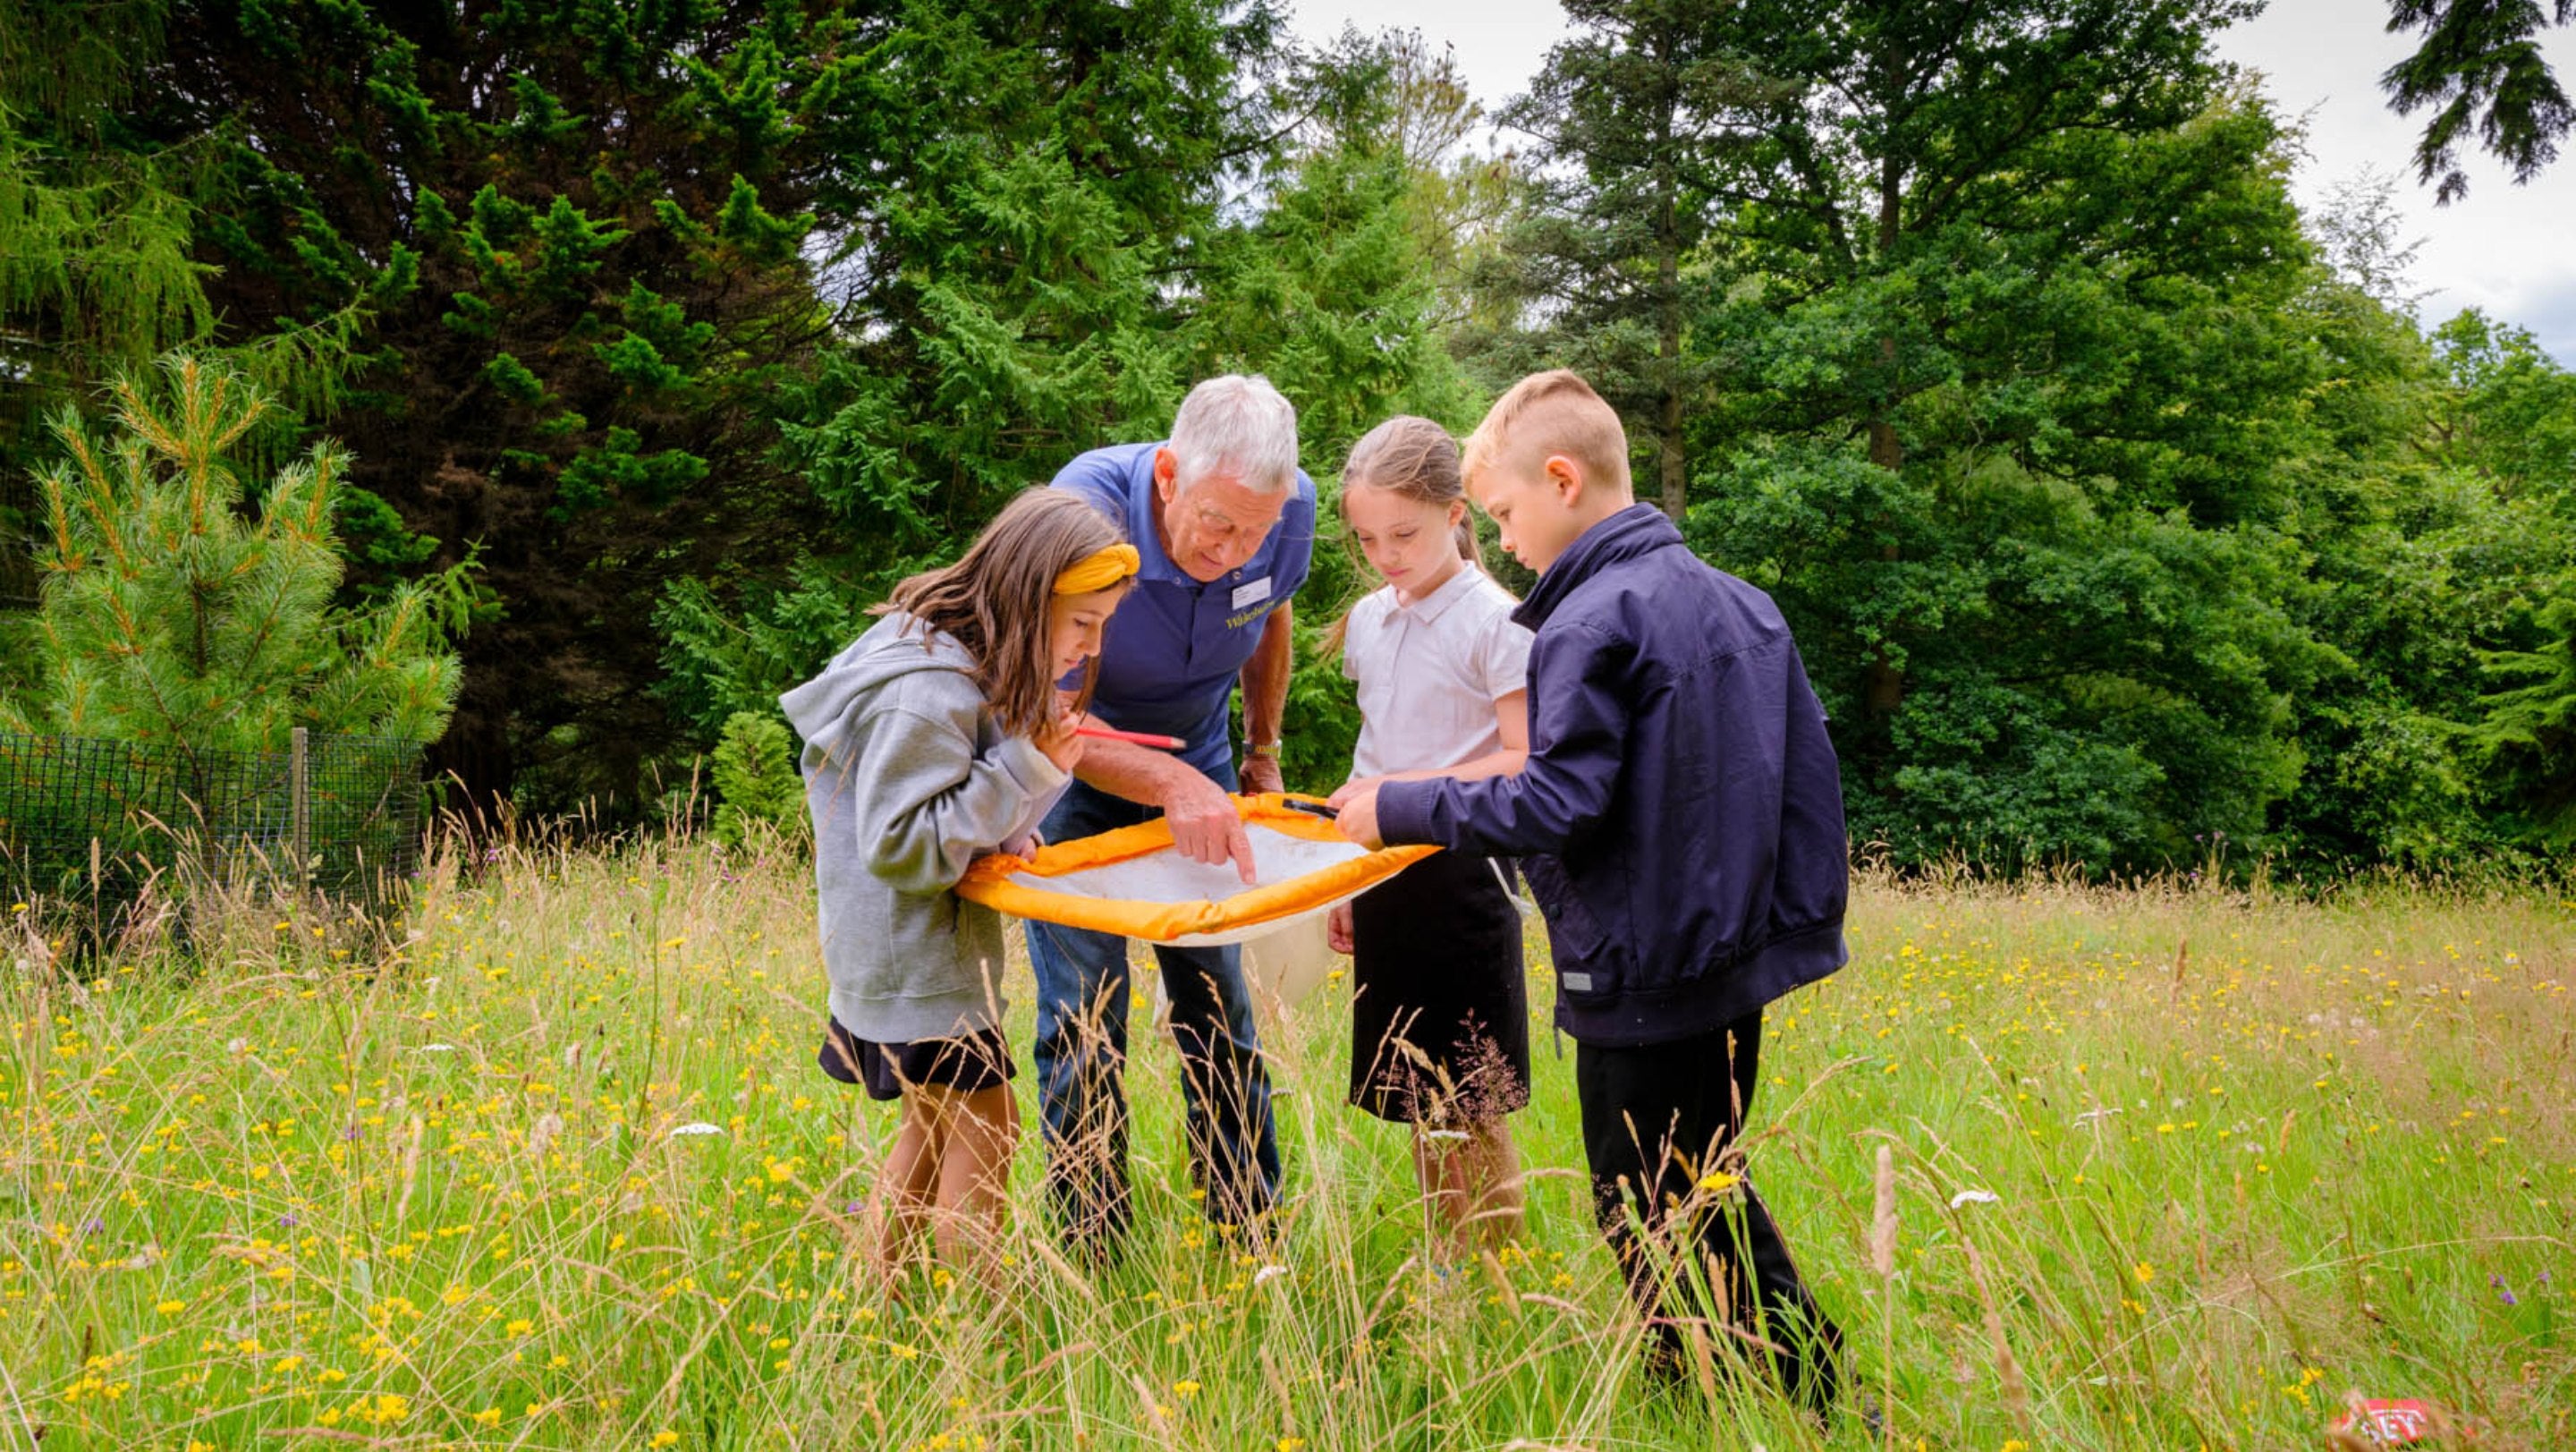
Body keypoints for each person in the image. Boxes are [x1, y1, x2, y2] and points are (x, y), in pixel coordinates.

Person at [1335, 370, 1852, 1412]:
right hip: (1730, 954)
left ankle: (1807, 1390)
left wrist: (1399, 807)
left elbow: (1555, 799)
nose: (1506, 539)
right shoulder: (1738, 602)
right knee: (1697, 1176)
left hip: (1643, 962)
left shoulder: (1590, 620)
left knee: (1644, 1191)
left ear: (1563, 481)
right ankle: (1696, 1383)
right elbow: (1804, 780)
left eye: (1506, 513)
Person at [779, 488, 1138, 1289]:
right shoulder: (927, 691)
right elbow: (903, 845)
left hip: (905, 951)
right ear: (1027, 598)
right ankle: (980, 1325)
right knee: (991, 1128)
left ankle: (878, 1306)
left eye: (1103, 625)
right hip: (917, 960)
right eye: (1082, 621)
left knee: (931, 1131)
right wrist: (1021, 768)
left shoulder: (947, 658)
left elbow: (949, 802)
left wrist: (1016, 812)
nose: (1091, 645)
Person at [1030, 374, 1314, 1253]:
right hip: (1072, 776)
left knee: (1218, 1005)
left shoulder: (1285, 508)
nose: (1233, 550)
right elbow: (1044, 711)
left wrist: (1260, 748)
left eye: (1254, 532)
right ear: (1166, 475)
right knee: (1084, 1018)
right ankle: (1091, 1248)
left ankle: (1248, 1232)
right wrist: (1170, 784)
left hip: (1204, 765)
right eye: (1215, 523)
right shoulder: (1083, 514)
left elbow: (1270, 614)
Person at [1317, 415, 1534, 1252]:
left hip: (1465, 874)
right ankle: (1451, 1264)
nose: (1385, 554)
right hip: (1384, 869)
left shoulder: (1498, 621)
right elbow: (1374, 752)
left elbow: (1523, 760)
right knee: (1418, 1096)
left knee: (1470, 1099)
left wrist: (1405, 794)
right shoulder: (1371, 618)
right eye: (1367, 538)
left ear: (1455, 512)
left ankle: (1497, 1272)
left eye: (1403, 533)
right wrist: (1349, 876)